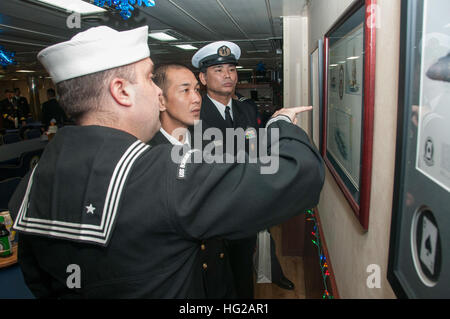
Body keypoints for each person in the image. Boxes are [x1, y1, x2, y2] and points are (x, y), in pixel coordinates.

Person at [9, 25, 324, 298]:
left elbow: (40, 282)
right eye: (149, 79)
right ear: (121, 91)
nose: (158, 95)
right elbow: (302, 176)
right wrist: (280, 124)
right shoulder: (161, 173)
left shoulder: (28, 186)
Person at [192, 41, 295, 297]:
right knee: (214, 282)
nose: (228, 75)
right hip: (211, 215)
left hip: (245, 210)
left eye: (231, 69)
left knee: (242, 275)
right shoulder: (192, 115)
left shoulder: (247, 110)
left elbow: (256, 152)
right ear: (203, 78)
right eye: (218, 70)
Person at [150, 63, 235, 298]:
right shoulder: (146, 153)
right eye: (185, 91)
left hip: (217, 260)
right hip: (179, 275)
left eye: (197, 90)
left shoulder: (209, 138)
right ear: (161, 100)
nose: (196, 98)